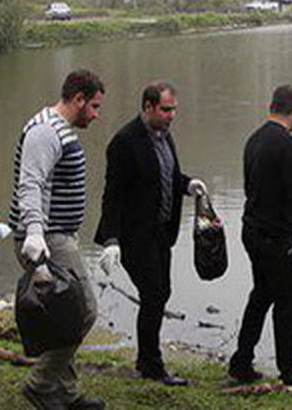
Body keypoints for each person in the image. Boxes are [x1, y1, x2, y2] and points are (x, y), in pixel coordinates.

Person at [94, 81, 207, 386]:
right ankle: (151, 365)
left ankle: (147, 359)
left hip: (161, 233)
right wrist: (111, 239)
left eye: (174, 110)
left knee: (160, 293)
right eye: (166, 109)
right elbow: (112, 195)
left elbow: (166, 177)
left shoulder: (165, 138)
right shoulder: (124, 141)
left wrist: (188, 185)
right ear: (147, 107)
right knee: (154, 294)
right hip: (134, 236)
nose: (172, 115)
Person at [9, 69, 106, 410]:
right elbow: (31, 183)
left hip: (59, 235)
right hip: (47, 240)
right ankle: (40, 384)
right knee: (83, 313)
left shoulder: (58, 128)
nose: (95, 114)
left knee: (63, 317)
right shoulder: (45, 131)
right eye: (93, 106)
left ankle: (66, 395)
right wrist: (35, 232)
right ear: (78, 99)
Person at [228, 85, 292, 386]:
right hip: (276, 237)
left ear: (271, 106)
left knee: (261, 295)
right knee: (288, 302)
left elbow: (252, 189)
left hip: (251, 230)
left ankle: (241, 361)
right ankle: (288, 369)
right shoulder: (289, 147)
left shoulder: (253, 140)